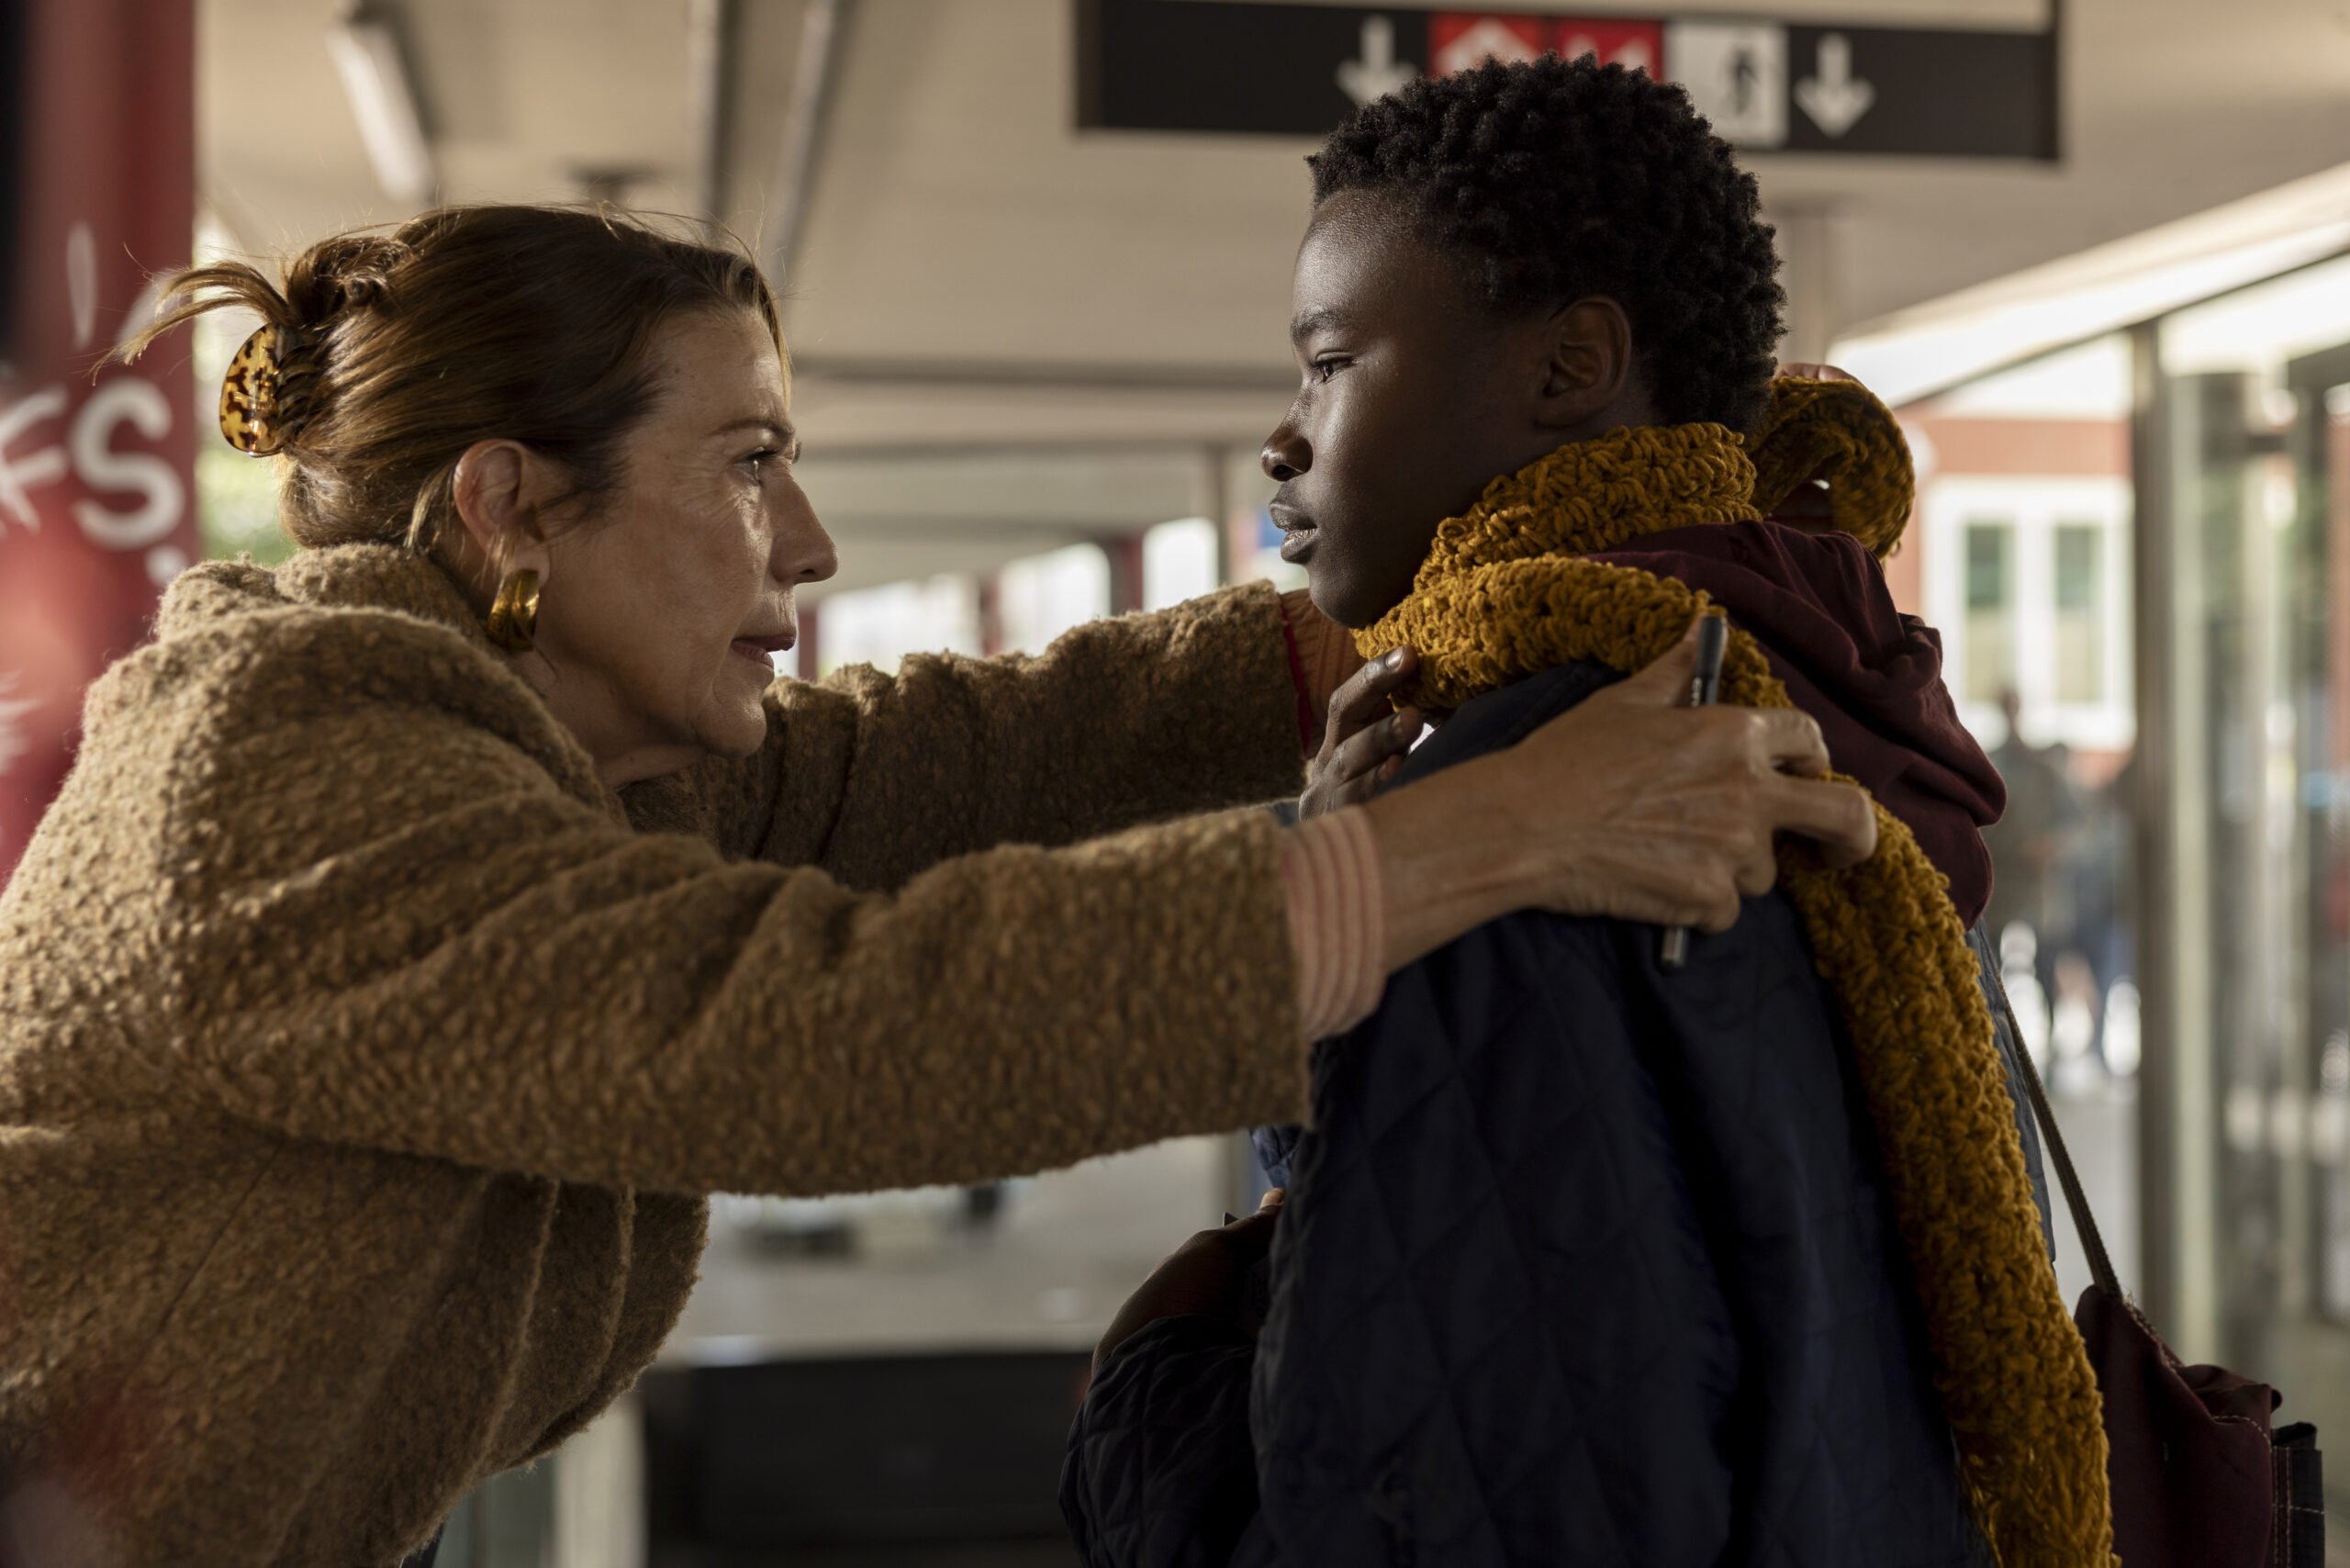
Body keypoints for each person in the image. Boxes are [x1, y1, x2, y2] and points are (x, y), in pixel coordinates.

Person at [0, 206, 1877, 1568]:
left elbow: (977, 745)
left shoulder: (559, 762)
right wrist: (1497, 830)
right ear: (510, 505)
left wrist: (1445, 592)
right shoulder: (275, 767)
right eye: (748, 465)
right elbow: (816, 1026)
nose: (808, 542)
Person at [1061, 57, 2109, 1568]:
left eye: (1331, 361)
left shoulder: (1529, 806)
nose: (1286, 438)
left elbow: (1427, 1509)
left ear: (1571, 366)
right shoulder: (1828, 714)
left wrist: (1147, 1386)